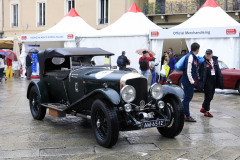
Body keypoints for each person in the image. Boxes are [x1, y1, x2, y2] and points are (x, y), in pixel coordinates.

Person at [198, 49, 224, 117]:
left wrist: (220, 81)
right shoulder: (203, 62)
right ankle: (206, 110)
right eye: (207, 54)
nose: (208, 55)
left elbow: (218, 71)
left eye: (209, 54)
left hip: (213, 81)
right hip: (207, 82)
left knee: (211, 96)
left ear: (212, 54)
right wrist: (200, 80)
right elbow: (199, 71)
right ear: (205, 54)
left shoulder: (214, 61)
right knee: (208, 96)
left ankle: (204, 108)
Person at [181, 42, 200, 122]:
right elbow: (188, 71)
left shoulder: (192, 56)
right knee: (187, 98)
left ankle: (179, 111)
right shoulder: (191, 57)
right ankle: (187, 116)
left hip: (187, 80)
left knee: (187, 97)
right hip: (187, 81)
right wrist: (192, 81)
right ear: (197, 49)